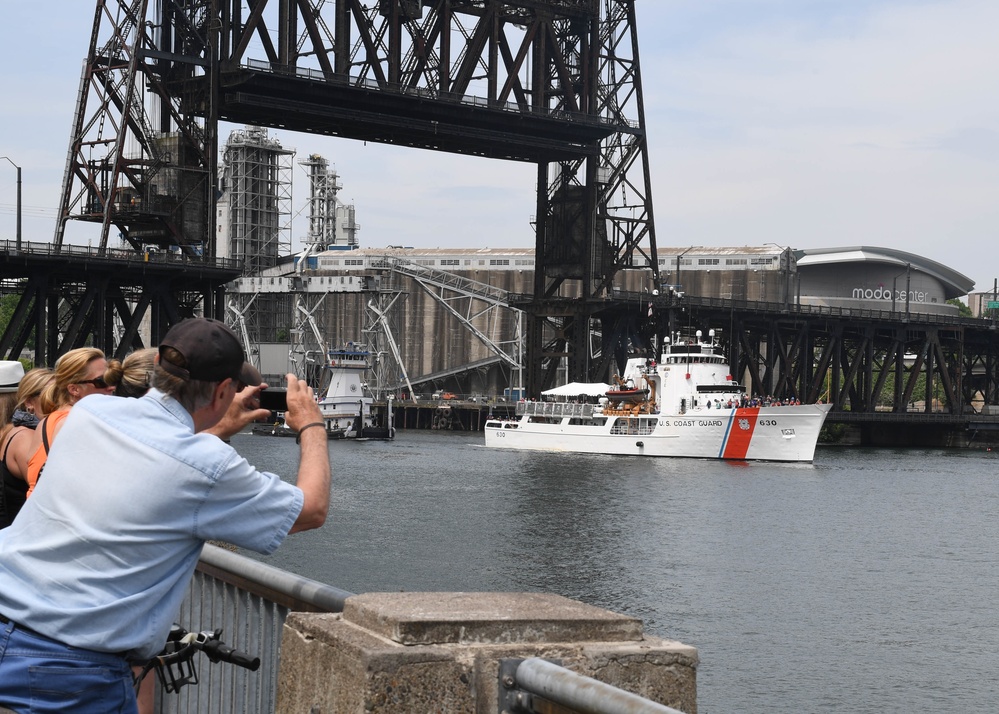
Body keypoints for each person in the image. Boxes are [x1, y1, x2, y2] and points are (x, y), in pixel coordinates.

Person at [0, 317, 331, 713]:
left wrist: (214, 423)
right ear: (224, 389)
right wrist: (311, 424)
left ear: (159, 362)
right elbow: (310, 510)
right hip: (69, 671)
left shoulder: (91, 413)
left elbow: (156, 468)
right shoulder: (207, 465)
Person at [24, 347, 116, 497]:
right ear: (74, 389)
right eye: (102, 381)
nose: (111, 387)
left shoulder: (47, 422)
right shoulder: (78, 423)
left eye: (112, 378)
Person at [0, 367, 53, 529]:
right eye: (52, 394)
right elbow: (48, 495)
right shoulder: (24, 438)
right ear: (28, 402)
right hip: (22, 538)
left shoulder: (10, 435)